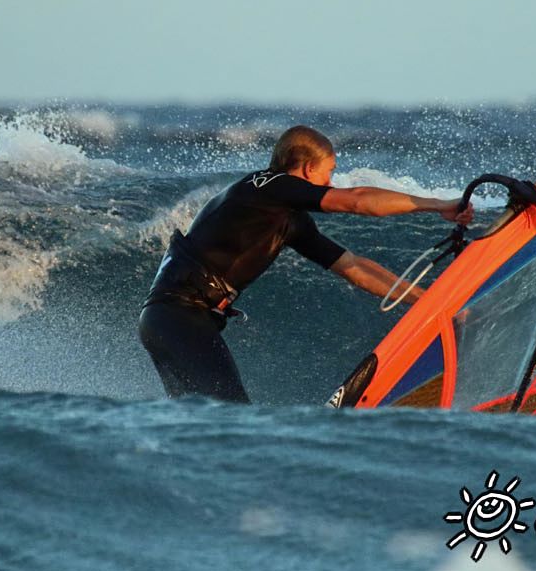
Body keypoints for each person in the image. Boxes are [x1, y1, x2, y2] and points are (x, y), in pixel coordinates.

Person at [138, 125, 474, 402]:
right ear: (308, 168)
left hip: (174, 319)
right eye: (329, 172)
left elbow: (353, 267)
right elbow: (357, 202)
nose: (330, 182)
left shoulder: (288, 219)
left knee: (197, 420)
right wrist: (438, 204)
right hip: (179, 316)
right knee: (231, 415)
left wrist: (429, 300)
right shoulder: (267, 186)